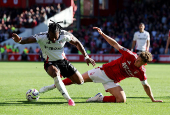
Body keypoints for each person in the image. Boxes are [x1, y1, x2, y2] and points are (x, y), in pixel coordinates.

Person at [39, 27, 163, 103]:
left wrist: (152, 98)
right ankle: (52, 86)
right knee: (77, 80)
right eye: (138, 57)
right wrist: (102, 34)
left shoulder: (141, 72)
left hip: (113, 81)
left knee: (121, 100)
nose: (136, 60)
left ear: (144, 64)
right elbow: (115, 44)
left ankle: (99, 98)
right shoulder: (131, 55)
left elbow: (146, 86)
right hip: (102, 72)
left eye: (139, 61)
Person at [12, 20, 96, 106]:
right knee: (56, 73)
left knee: (80, 81)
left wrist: (86, 57)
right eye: (52, 37)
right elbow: (28, 39)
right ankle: (69, 99)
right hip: (49, 62)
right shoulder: (42, 36)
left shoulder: (65, 35)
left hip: (63, 61)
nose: (54, 39)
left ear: (59, 32)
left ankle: (52, 86)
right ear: (48, 32)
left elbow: (77, 43)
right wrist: (19, 40)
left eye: (55, 37)